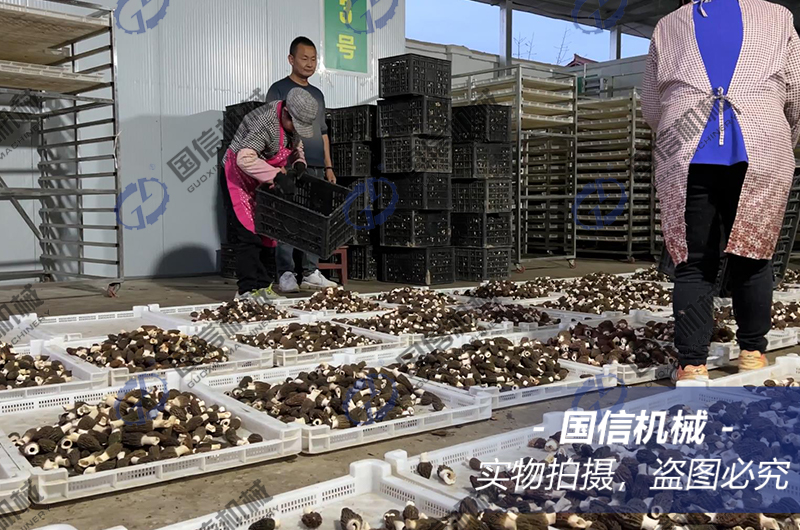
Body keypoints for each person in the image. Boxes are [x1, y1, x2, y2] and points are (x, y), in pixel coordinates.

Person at [642, 0, 800, 381]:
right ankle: (752, 354)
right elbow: (796, 93)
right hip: (761, 147)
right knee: (754, 255)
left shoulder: (669, 24)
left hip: (688, 150)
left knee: (694, 261)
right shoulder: (778, 17)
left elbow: (651, 105)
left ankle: (692, 365)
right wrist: (785, 136)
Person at [223, 87, 319, 300]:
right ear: (286, 113)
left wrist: (299, 162)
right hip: (239, 176)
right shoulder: (265, 122)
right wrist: (277, 176)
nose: (297, 130)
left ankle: (263, 287)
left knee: (268, 232)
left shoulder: (291, 124)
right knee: (249, 235)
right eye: (296, 124)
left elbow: (296, 144)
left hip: (262, 178)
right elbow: (244, 159)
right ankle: (247, 290)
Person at [267, 36, 338, 293]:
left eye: (313, 59)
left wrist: (328, 167)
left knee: (314, 220)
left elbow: (323, 132)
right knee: (287, 218)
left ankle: (310, 272)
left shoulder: (317, 94)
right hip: (288, 165)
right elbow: (272, 128)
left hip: (316, 165)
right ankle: (285, 273)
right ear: (291, 59)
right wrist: (278, 165)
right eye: (304, 58)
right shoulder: (278, 89)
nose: (309, 63)